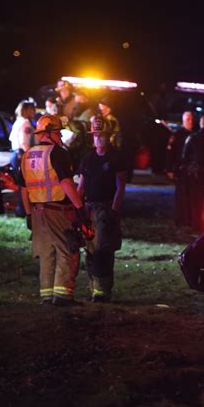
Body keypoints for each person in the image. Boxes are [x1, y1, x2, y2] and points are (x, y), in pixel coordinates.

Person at [19, 114, 93, 306]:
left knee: (46, 253)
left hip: (37, 212)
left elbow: (24, 189)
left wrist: (28, 214)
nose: (60, 136)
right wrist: (80, 208)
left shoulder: (26, 155)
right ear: (50, 133)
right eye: (58, 132)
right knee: (67, 249)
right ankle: (63, 296)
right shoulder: (58, 153)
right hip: (57, 210)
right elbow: (67, 183)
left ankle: (47, 295)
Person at [77, 116, 127, 302]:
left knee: (103, 249)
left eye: (102, 135)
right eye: (95, 135)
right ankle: (93, 287)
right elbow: (80, 186)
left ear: (109, 137)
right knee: (89, 249)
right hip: (89, 208)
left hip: (105, 209)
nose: (98, 139)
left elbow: (120, 186)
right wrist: (78, 208)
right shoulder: (88, 158)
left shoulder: (116, 158)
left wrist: (114, 211)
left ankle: (103, 290)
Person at [165, 110, 195, 226]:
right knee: (180, 195)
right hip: (180, 168)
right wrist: (169, 169)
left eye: (192, 119)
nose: (190, 122)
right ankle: (180, 218)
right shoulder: (177, 135)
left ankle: (189, 218)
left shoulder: (195, 134)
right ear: (183, 121)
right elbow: (170, 153)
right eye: (188, 120)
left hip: (190, 169)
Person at [9, 99, 36, 217]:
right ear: (25, 110)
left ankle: (21, 210)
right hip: (22, 155)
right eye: (31, 109)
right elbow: (24, 142)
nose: (34, 111)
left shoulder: (18, 122)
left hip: (15, 154)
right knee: (24, 185)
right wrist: (30, 156)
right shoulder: (25, 123)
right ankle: (23, 210)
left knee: (21, 185)